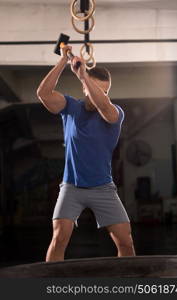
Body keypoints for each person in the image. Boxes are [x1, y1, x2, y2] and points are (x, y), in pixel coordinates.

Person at [37, 45, 135, 262]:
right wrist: (63, 61)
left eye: (105, 91)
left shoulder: (114, 113)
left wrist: (84, 77)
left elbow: (102, 103)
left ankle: (129, 287)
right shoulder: (70, 107)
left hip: (103, 188)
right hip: (71, 187)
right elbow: (43, 94)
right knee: (59, 238)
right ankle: (47, 288)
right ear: (84, 88)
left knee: (126, 242)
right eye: (95, 88)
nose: (101, 95)